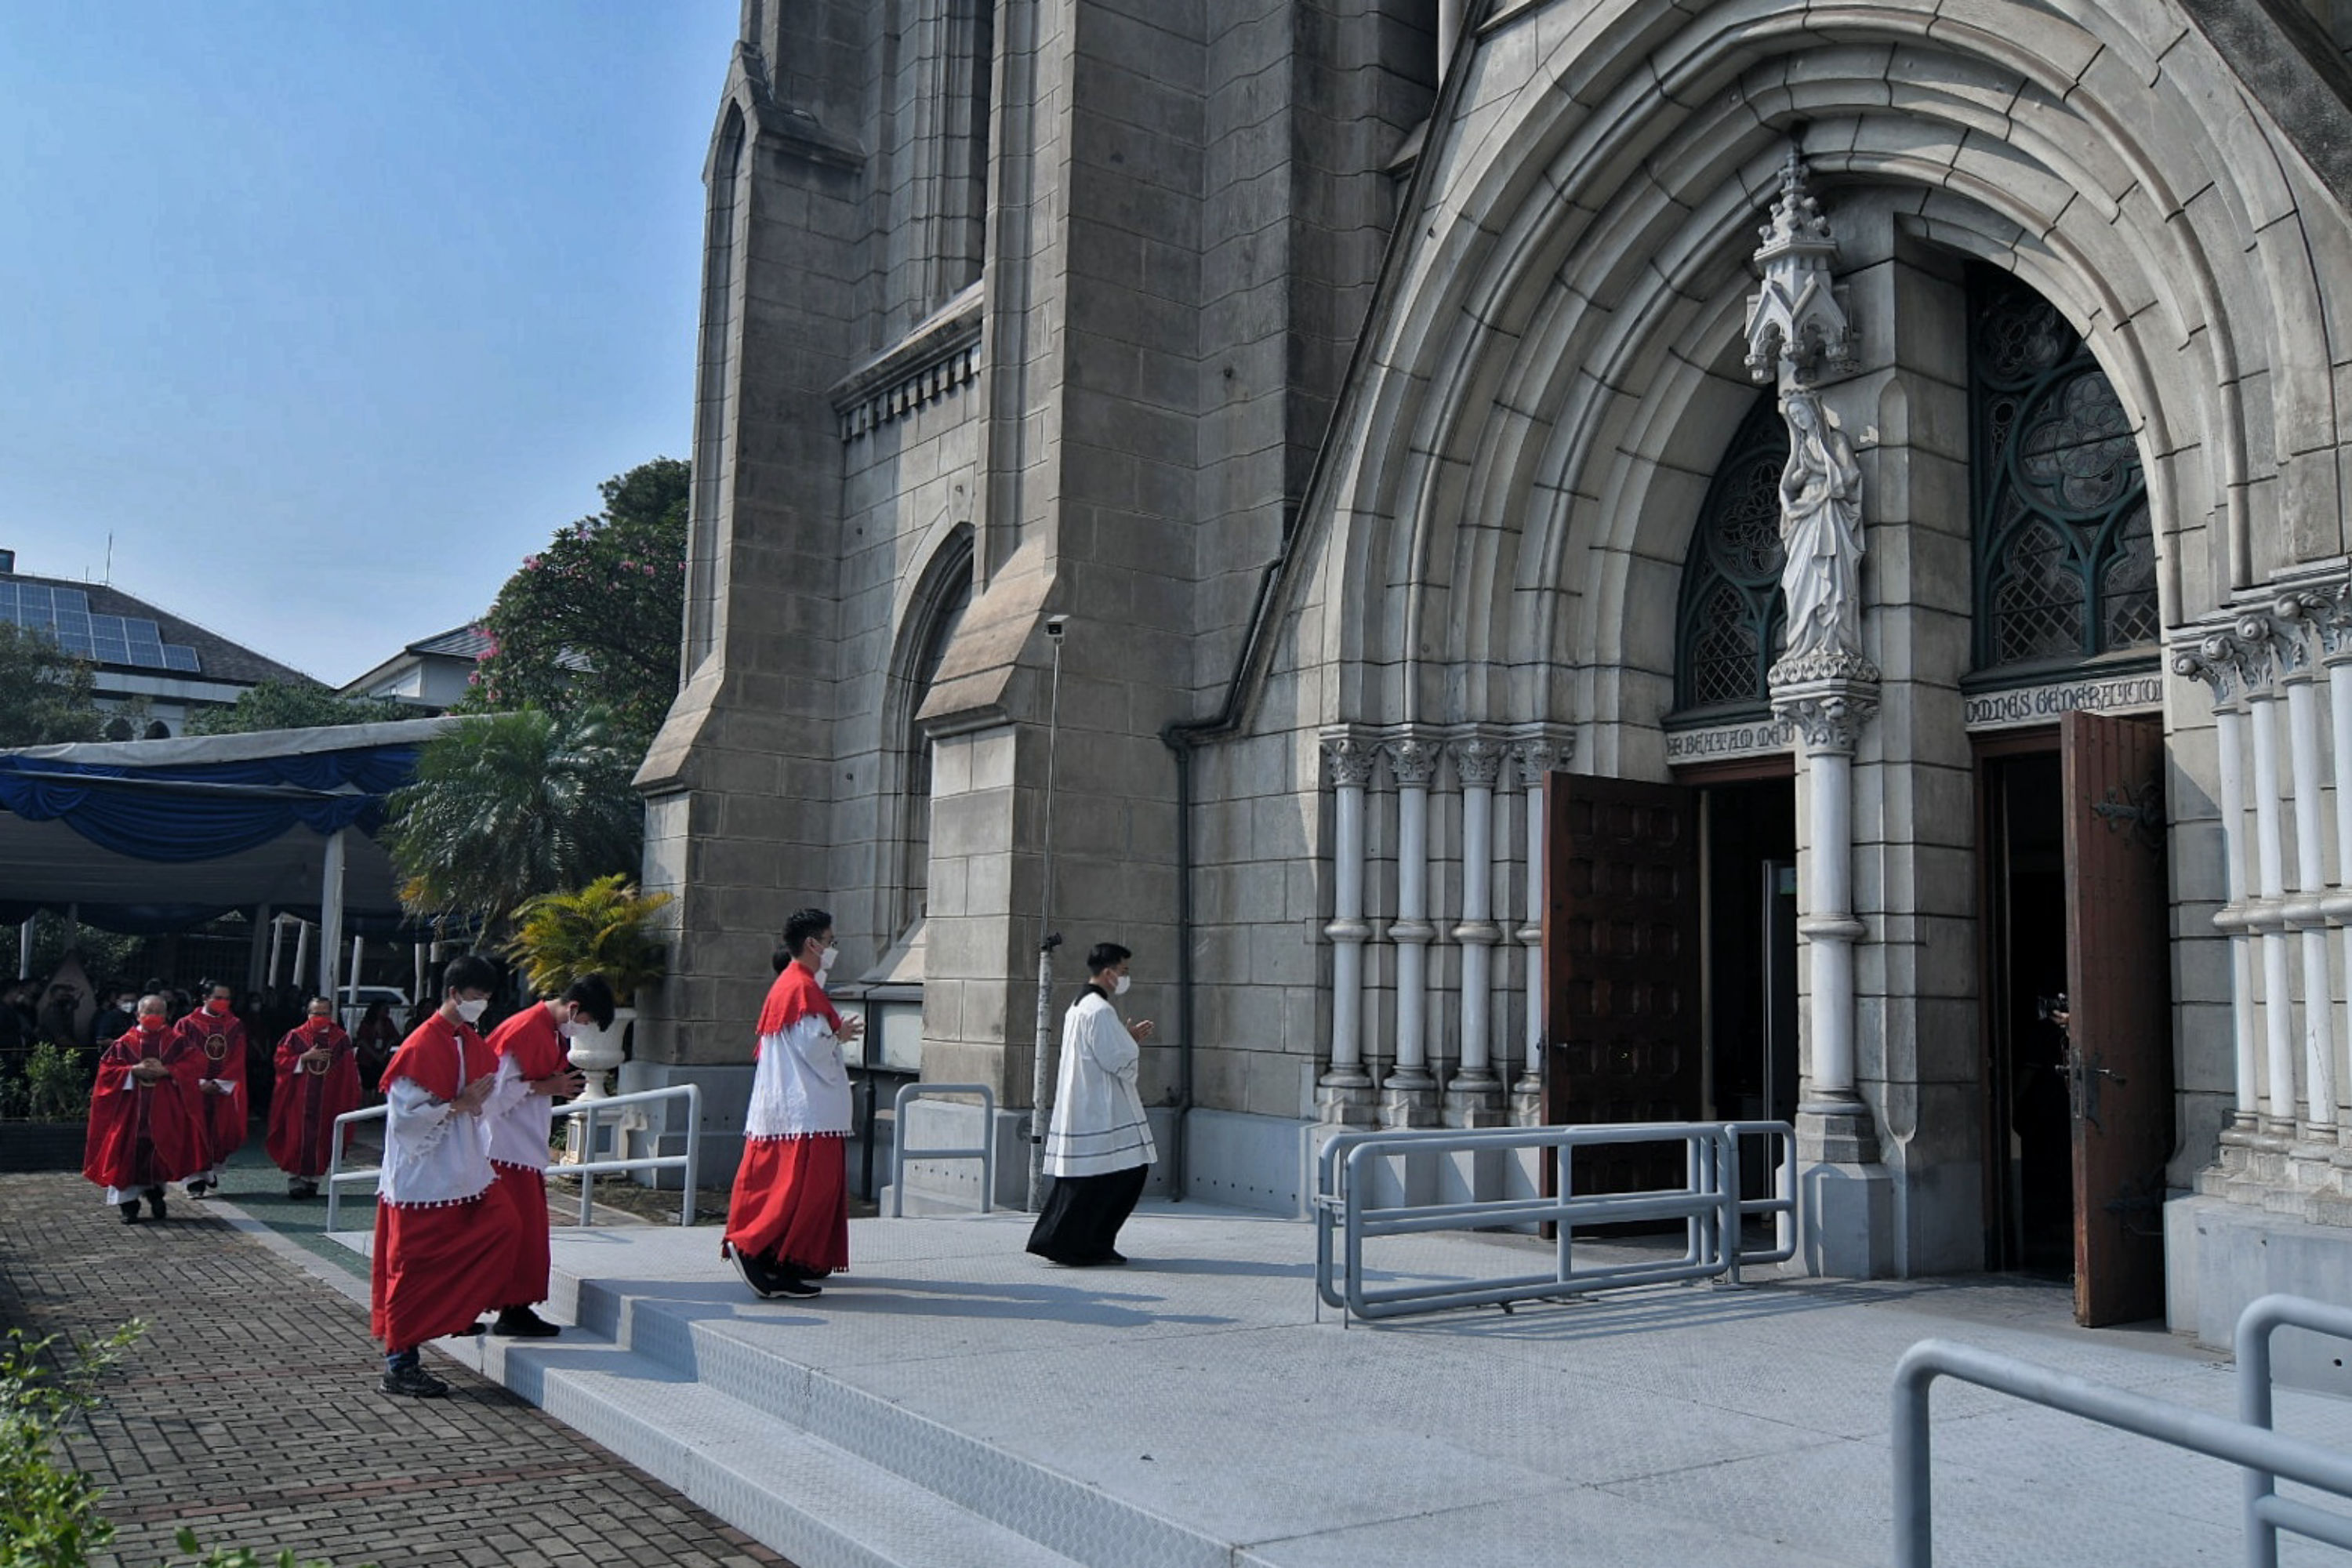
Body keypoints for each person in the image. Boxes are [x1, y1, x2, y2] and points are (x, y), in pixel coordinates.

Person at [371, 954, 524, 1399]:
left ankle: (453, 1313)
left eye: (488, 998)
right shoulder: (421, 1045)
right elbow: (404, 1118)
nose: (482, 1005)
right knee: (413, 1268)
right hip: (421, 1178)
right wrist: (458, 1103)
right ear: (454, 994)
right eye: (477, 997)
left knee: (502, 1227)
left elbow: (486, 1091)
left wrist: (476, 1099)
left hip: (463, 1168)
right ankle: (400, 1365)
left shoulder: (465, 1039)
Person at [722, 908, 862, 1300]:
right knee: (796, 1192)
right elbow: (813, 1048)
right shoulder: (802, 987)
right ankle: (755, 1249)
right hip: (805, 1112)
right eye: (831, 941)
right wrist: (840, 1033)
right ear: (812, 943)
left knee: (793, 1191)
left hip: (794, 1110)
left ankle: (780, 1261)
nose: (833, 948)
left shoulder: (790, 985)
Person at [478, 976, 604, 1338]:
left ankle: (515, 1309)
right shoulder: (525, 1030)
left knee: (528, 1236)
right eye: (585, 1023)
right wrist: (544, 1086)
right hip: (503, 1150)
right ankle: (503, 1308)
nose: (582, 1030)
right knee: (516, 1235)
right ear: (575, 1008)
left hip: (521, 1149)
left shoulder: (545, 1029)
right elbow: (493, 1096)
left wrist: (546, 1085)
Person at [1026, 942, 1156, 1268]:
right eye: (1124, 971)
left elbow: (1104, 1048)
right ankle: (1077, 1244)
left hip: (1086, 1103)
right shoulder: (1099, 1010)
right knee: (1119, 1174)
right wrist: (1130, 1042)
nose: (1125, 978)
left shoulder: (1079, 1005)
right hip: (1100, 1107)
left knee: (1091, 1180)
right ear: (1109, 972)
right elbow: (1117, 1059)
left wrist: (1125, 1037)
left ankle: (1083, 1243)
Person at [82, 995, 207, 1223]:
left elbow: (196, 1063)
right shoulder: (124, 1043)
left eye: (159, 1013)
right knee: (125, 1155)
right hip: (131, 1112)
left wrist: (168, 1071)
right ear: (138, 1015)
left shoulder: (177, 1041)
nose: (154, 1017)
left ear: (167, 1015)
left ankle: (156, 1194)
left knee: (159, 1154)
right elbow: (107, 1071)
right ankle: (128, 1207)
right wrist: (131, 1071)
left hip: (163, 1110)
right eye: (149, 1012)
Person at [266, 996, 361, 1199]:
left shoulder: (340, 1039)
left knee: (324, 1137)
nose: (320, 1017)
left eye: (324, 1013)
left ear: (331, 1014)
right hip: (299, 1101)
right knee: (297, 1137)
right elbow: (280, 1061)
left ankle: (313, 1182)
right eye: (316, 1013)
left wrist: (347, 1097)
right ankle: (295, 1181)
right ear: (308, 1013)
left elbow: (348, 1073)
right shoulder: (295, 1037)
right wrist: (303, 1058)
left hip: (329, 1101)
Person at [176, 982, 251, 1198]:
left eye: (227, 999)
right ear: (205, 998)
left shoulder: (235, 1025)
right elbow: (178, 1056)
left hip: (221, 1091)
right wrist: (198, 1082)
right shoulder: (186, 1024)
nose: (223, 1003)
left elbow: (238, 1057)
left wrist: (219, 1083)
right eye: (218, 998)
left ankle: (208, 1171)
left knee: (220, 1133)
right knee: (193, 1133)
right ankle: (194, 1181)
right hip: (193, 1090)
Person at [354, 999, 401, 1098]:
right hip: (366, 1058)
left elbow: (395, 1037)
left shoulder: (388, 1023)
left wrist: (385, 1051)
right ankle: (366, 1106)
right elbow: (362, 1040)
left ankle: (377, 1106)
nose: (386, 1012)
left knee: (380, 1084)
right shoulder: (366, 1023)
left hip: (382, 1057)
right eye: (384, 1009)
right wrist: (375, 1055)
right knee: (367, 1085)